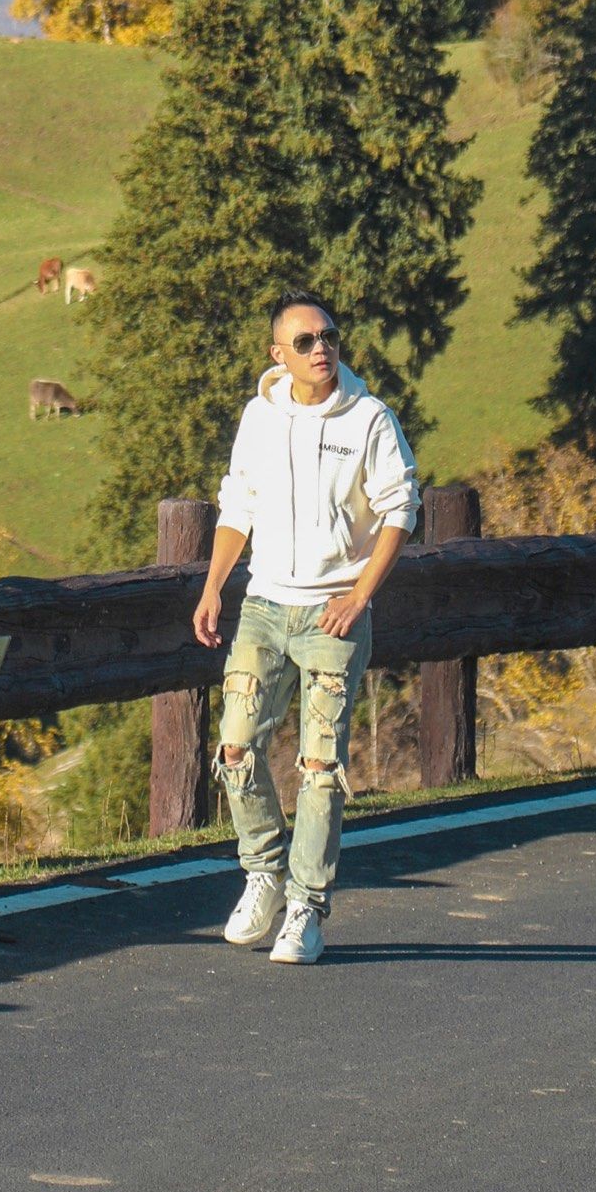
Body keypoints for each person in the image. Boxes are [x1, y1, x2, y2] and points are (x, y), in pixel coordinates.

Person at [192, 292, 419, 965]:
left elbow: (400, 509)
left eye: (330, 337)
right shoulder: (260, 418)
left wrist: (358, 595)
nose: (322, 349)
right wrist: (212, 587)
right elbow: (240, 502)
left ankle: (305, 908)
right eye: (306, 341)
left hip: (331, 616)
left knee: (320, 765)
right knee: (235, 748)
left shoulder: (371, 418)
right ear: (278, 355)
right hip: (264, 606)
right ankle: (262, 872)